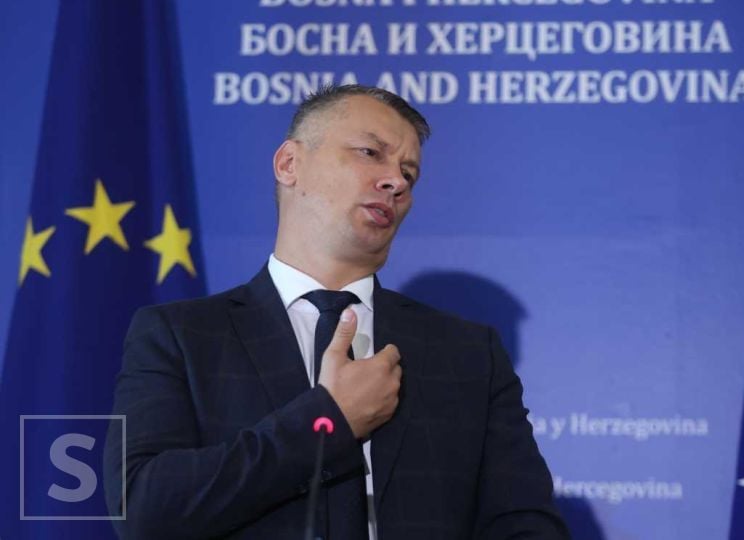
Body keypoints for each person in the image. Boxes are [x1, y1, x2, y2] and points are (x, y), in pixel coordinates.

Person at [104, 85, 568, 539]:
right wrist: (326, 423)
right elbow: (143, 509)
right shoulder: (182, 335)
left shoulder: (468, 353)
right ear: (290, 164)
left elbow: (526, 525)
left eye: (409, 173)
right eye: (371, 153)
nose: (396, 181)